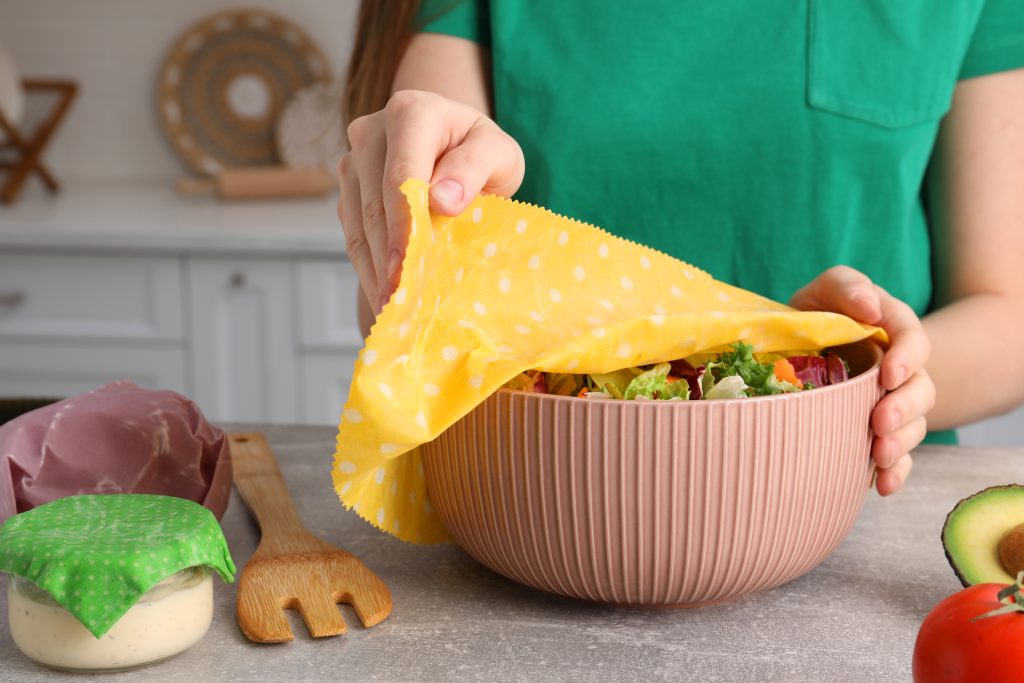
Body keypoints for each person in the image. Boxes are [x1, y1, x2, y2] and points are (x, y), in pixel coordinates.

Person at [336, 1, 1024, 497]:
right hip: (543, 496)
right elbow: (418, 304)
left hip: (851, 500)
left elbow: (1008, 308)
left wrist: (868, 372)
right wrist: (424, 206)